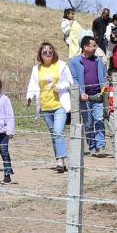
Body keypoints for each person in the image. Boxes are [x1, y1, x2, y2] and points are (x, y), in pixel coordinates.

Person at [25, 41, 76, 173]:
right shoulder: (36, 69)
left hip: (60, 105)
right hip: (45, 106)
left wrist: (61, 87)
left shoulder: (62, 65)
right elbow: (33, 84)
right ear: (40, 54)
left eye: (50, 51)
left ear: (54, 53)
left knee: (58, 132)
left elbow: (71, 82)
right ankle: (60, 160)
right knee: (54, 134)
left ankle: (60, 160)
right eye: (44, 52)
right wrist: (29, 97)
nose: (48, 54)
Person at [73, 35, 109, 156]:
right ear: (85, 47)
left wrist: (104, 89)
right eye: (93, 45)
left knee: (99, 120)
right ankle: (92, 146)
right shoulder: (75, 62)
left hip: (98, 96)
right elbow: (74, 80)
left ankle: (100, 145)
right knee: (88, 124)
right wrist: (80, 93)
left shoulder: (99, 61)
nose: (95, 48)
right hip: (84, 98)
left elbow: (104, 76)